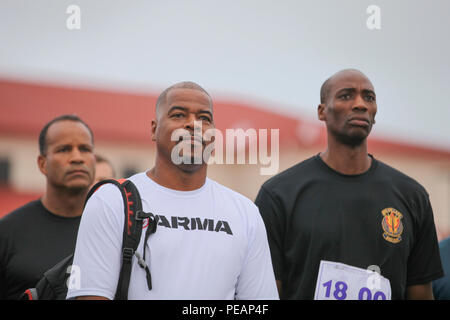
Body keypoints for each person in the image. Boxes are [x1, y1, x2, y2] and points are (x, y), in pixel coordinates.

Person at [66, 81, 279, 300]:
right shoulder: (111, 201)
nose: (193, 125)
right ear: (154, 129)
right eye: (178, 115)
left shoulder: (245, 213)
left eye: (204, 118)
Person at [255, 69, 443, 300]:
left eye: (369, 97)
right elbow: (265, 293)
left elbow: (421, 292)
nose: (360, 104)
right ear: (322, 111)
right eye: (346, 96)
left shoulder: (412, 196)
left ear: (375, 113)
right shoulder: (279, 194)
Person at [0, 114, 96, 300]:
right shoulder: (7, 232)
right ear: (43, 164)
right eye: (64, 149)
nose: (77, 157)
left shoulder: (113, 229)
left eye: (85, 149)